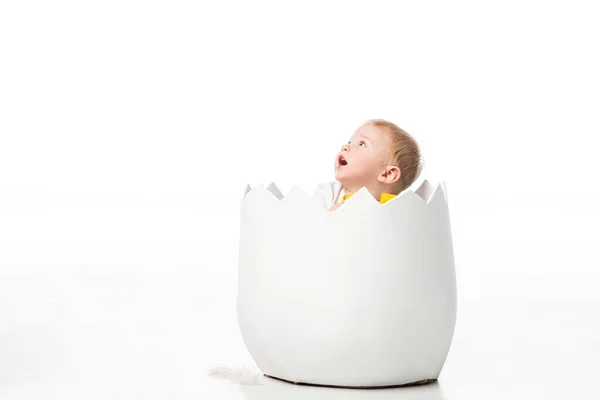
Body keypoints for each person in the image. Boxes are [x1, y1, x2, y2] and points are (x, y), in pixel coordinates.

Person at [314, 119, 423, 211]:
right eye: (349, 142)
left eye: (361, 144)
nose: (345, 146)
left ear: (387, 174)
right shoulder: (328, 193)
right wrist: (330, 216)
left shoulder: (398, 210)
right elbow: (308, 227)